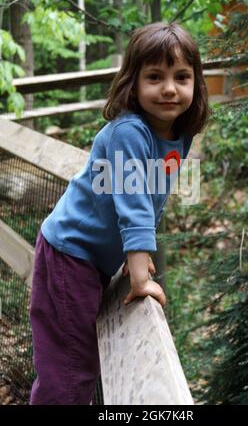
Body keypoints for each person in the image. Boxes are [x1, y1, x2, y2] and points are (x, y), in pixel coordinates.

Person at [29, 21, 210, 405]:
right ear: (133, 81)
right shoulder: (129, 132)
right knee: (70, 368)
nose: (169, 89)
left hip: (90, 258)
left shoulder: (178, 132)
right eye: (155, 77)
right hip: (70, 256)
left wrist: (135, 258)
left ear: (196, 83)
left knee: (77, 364)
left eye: (182, 77)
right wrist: (141, 278)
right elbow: (134, 206)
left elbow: (153, 196)